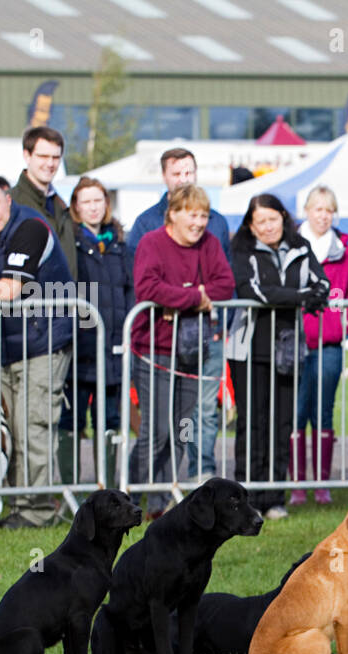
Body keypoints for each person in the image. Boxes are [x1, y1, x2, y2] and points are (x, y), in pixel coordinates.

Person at [0, 178, 75, 529]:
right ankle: (21, 505)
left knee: (33, 426)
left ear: (7, 199)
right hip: (4, 351)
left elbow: (10, 289)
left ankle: (37, 512)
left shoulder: (31, 228)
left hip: (44, 343)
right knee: (12, 430)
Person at [130, 184, 234, 519]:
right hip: (155, 349)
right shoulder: (152, 243)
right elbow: (148, 287)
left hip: (193, 349)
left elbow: (225, 284)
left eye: (203, 215)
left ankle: (167, 497)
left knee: (183, 426)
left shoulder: (210, 244)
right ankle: (138, 495)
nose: (199, 222)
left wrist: (180, 298)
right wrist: (194, 297)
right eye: (192, 214)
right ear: (173, 214)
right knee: (157, 430)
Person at [229, 193, 327, 520]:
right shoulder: (242, 249)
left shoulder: (301, 246)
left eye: (273, 219)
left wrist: (303, 297)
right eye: (261, 222)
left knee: (282, 423)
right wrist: (300, 297)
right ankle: (248, 497)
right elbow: (252, 291)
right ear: (251, 225)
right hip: (250, 348)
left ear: (283, 218)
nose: (269, 227)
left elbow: (322, 285)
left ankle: (274, 497)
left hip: (288, 347)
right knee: (252, 423)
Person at [58, 176, 133, 489]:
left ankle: (109, 487)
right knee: (72, 422)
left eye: (98, 201)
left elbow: (131, 291)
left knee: (112, 422)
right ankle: (70, 489)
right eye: (85, 201)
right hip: (79, 350)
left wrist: (129, 333)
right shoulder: (69, 245)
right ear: (76, 206)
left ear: (106, 204)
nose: (92, 207)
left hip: (113, 351)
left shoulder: (120, 244)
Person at [294, 185, 348, 506]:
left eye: (328, 210)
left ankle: (321, 483)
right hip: (295, 343)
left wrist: (342, 325)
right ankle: (296, 484)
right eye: (318, 209)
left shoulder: (344, 248)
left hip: (330, 343)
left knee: (324, 412)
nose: (323, 215)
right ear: (307, 210)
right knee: (296, 410)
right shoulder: (291, 243)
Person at [11, 125, 77, 282]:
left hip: (65, 301)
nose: (50, 164)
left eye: (55, 157)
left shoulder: (61, 206)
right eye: (43, 156)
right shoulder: (11, 204)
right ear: (27, 156)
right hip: (30, 303)